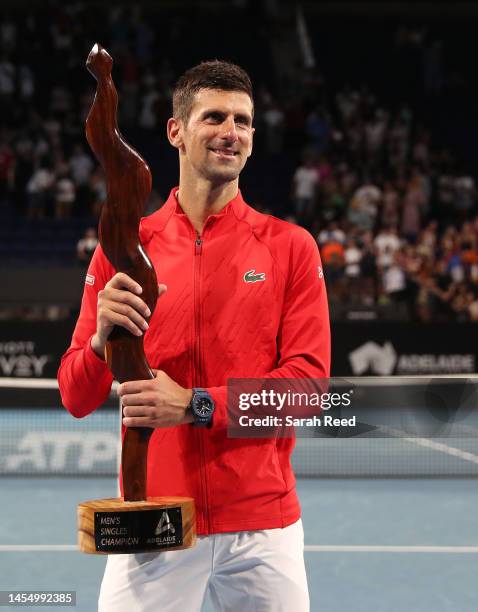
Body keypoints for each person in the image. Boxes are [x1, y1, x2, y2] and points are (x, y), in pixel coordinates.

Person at [58, 60, 330, 612]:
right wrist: (98, 340)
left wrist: (196, 405)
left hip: (263, 527)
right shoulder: (124, 249)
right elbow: (74, 396)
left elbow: (308, 392)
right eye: (214, 117)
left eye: (244, 121)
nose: (232, 132)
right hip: (154, 518)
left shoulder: (290, 247)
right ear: (176, 130)